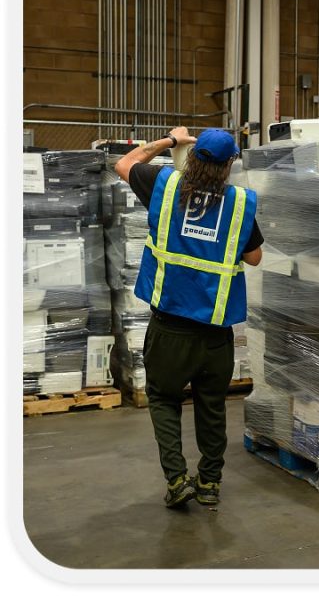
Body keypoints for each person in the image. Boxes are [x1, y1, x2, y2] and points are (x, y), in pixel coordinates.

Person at [114, 127, 262, 508]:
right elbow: (254, 257)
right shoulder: (240, 204)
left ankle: (177, 479)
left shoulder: (163, 186)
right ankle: (210, 483)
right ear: (230, 165)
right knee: (212, 405)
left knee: (164, 399)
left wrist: (171, 140)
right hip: (215, 330)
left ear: (192, 156)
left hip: (169, 327)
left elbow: (125, 162)